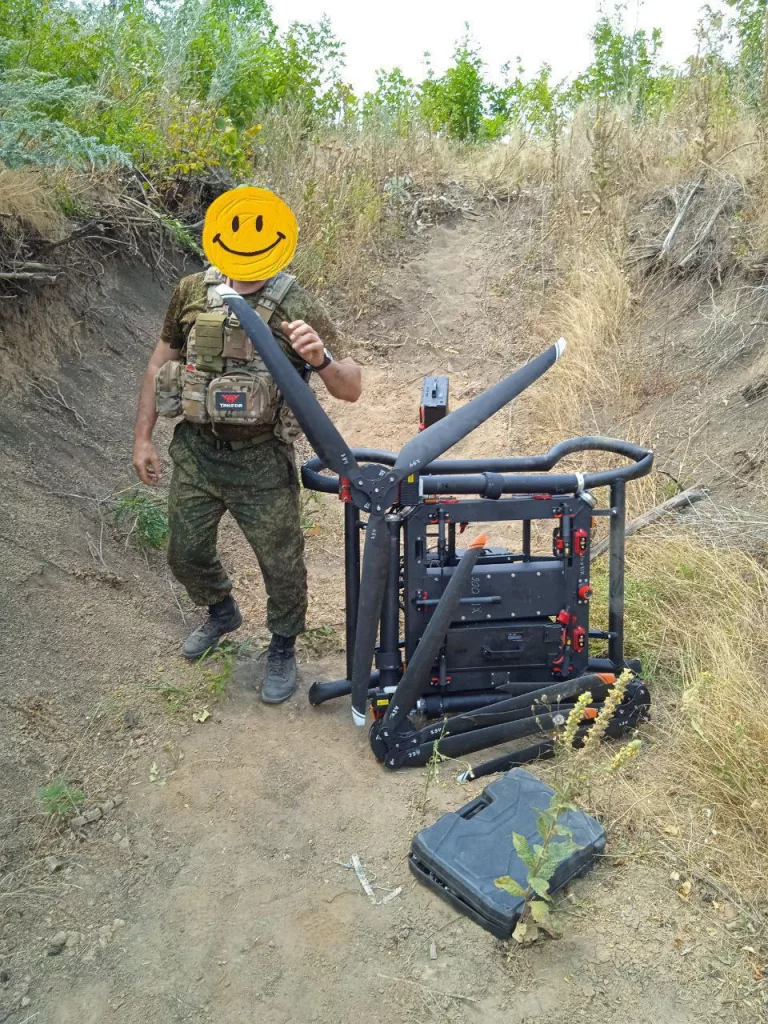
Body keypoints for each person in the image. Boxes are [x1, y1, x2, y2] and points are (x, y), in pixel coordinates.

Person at [132, 264, 362, 704]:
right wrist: (143, 438)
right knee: (185, 552)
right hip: (198, 452)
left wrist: (322, 359)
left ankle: (282, 645)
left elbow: (350, 388)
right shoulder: (192, 291)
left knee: (282, 565)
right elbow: (161, 363)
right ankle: (221, 611)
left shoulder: (297, 301)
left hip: (262, 459)